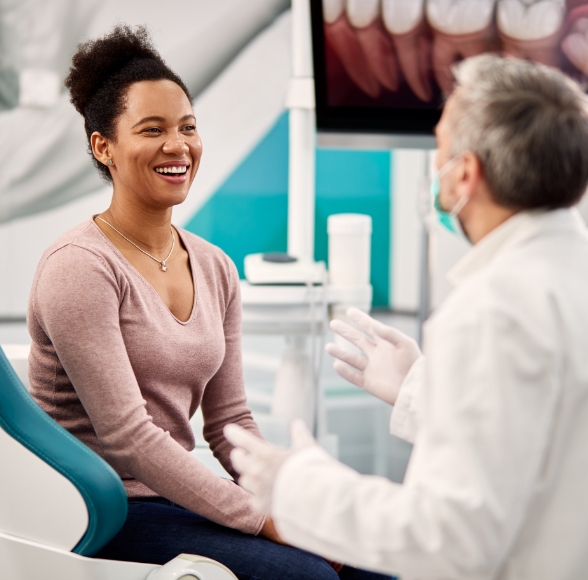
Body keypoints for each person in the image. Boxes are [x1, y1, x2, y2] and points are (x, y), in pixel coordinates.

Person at [27, 24, 388, 580]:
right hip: (98, 510)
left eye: (188, 127)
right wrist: (264, 519)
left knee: (375, 562)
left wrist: (287, 497)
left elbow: (230, 422)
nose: (178, 146)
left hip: (176, 497)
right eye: (152, 129)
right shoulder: (79, 267)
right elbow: (129, 437)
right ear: (104, 147)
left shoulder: (215, 265)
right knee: (308, 576)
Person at [225, 54, 588, 580]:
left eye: (439, 150)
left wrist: (301, 487)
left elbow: (449, 539)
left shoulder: (493, 308)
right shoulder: (567, 274)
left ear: (465, 174)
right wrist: (424, 391)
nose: (434, 169)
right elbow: (548, 439)